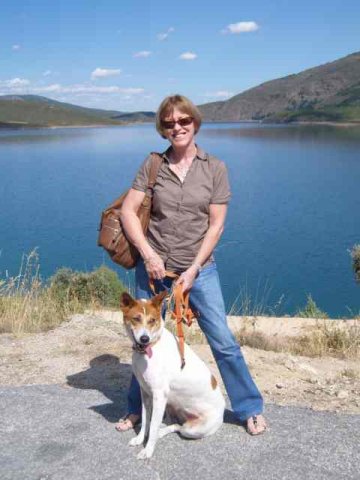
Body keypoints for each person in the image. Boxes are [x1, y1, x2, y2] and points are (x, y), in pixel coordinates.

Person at [116, 94, 267, 436]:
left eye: (184, 121)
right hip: (154, 271)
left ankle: (248, 407)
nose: (177, 127)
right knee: (143, 341)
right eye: (169, 123)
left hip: (199, 271)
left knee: (223, 341)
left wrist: (194, 269)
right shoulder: (153, 164)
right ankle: (135, 409)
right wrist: (149, 255)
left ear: (195, 123)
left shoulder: (214, 168)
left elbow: (216, 225)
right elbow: (128, 211)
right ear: (163, 129)